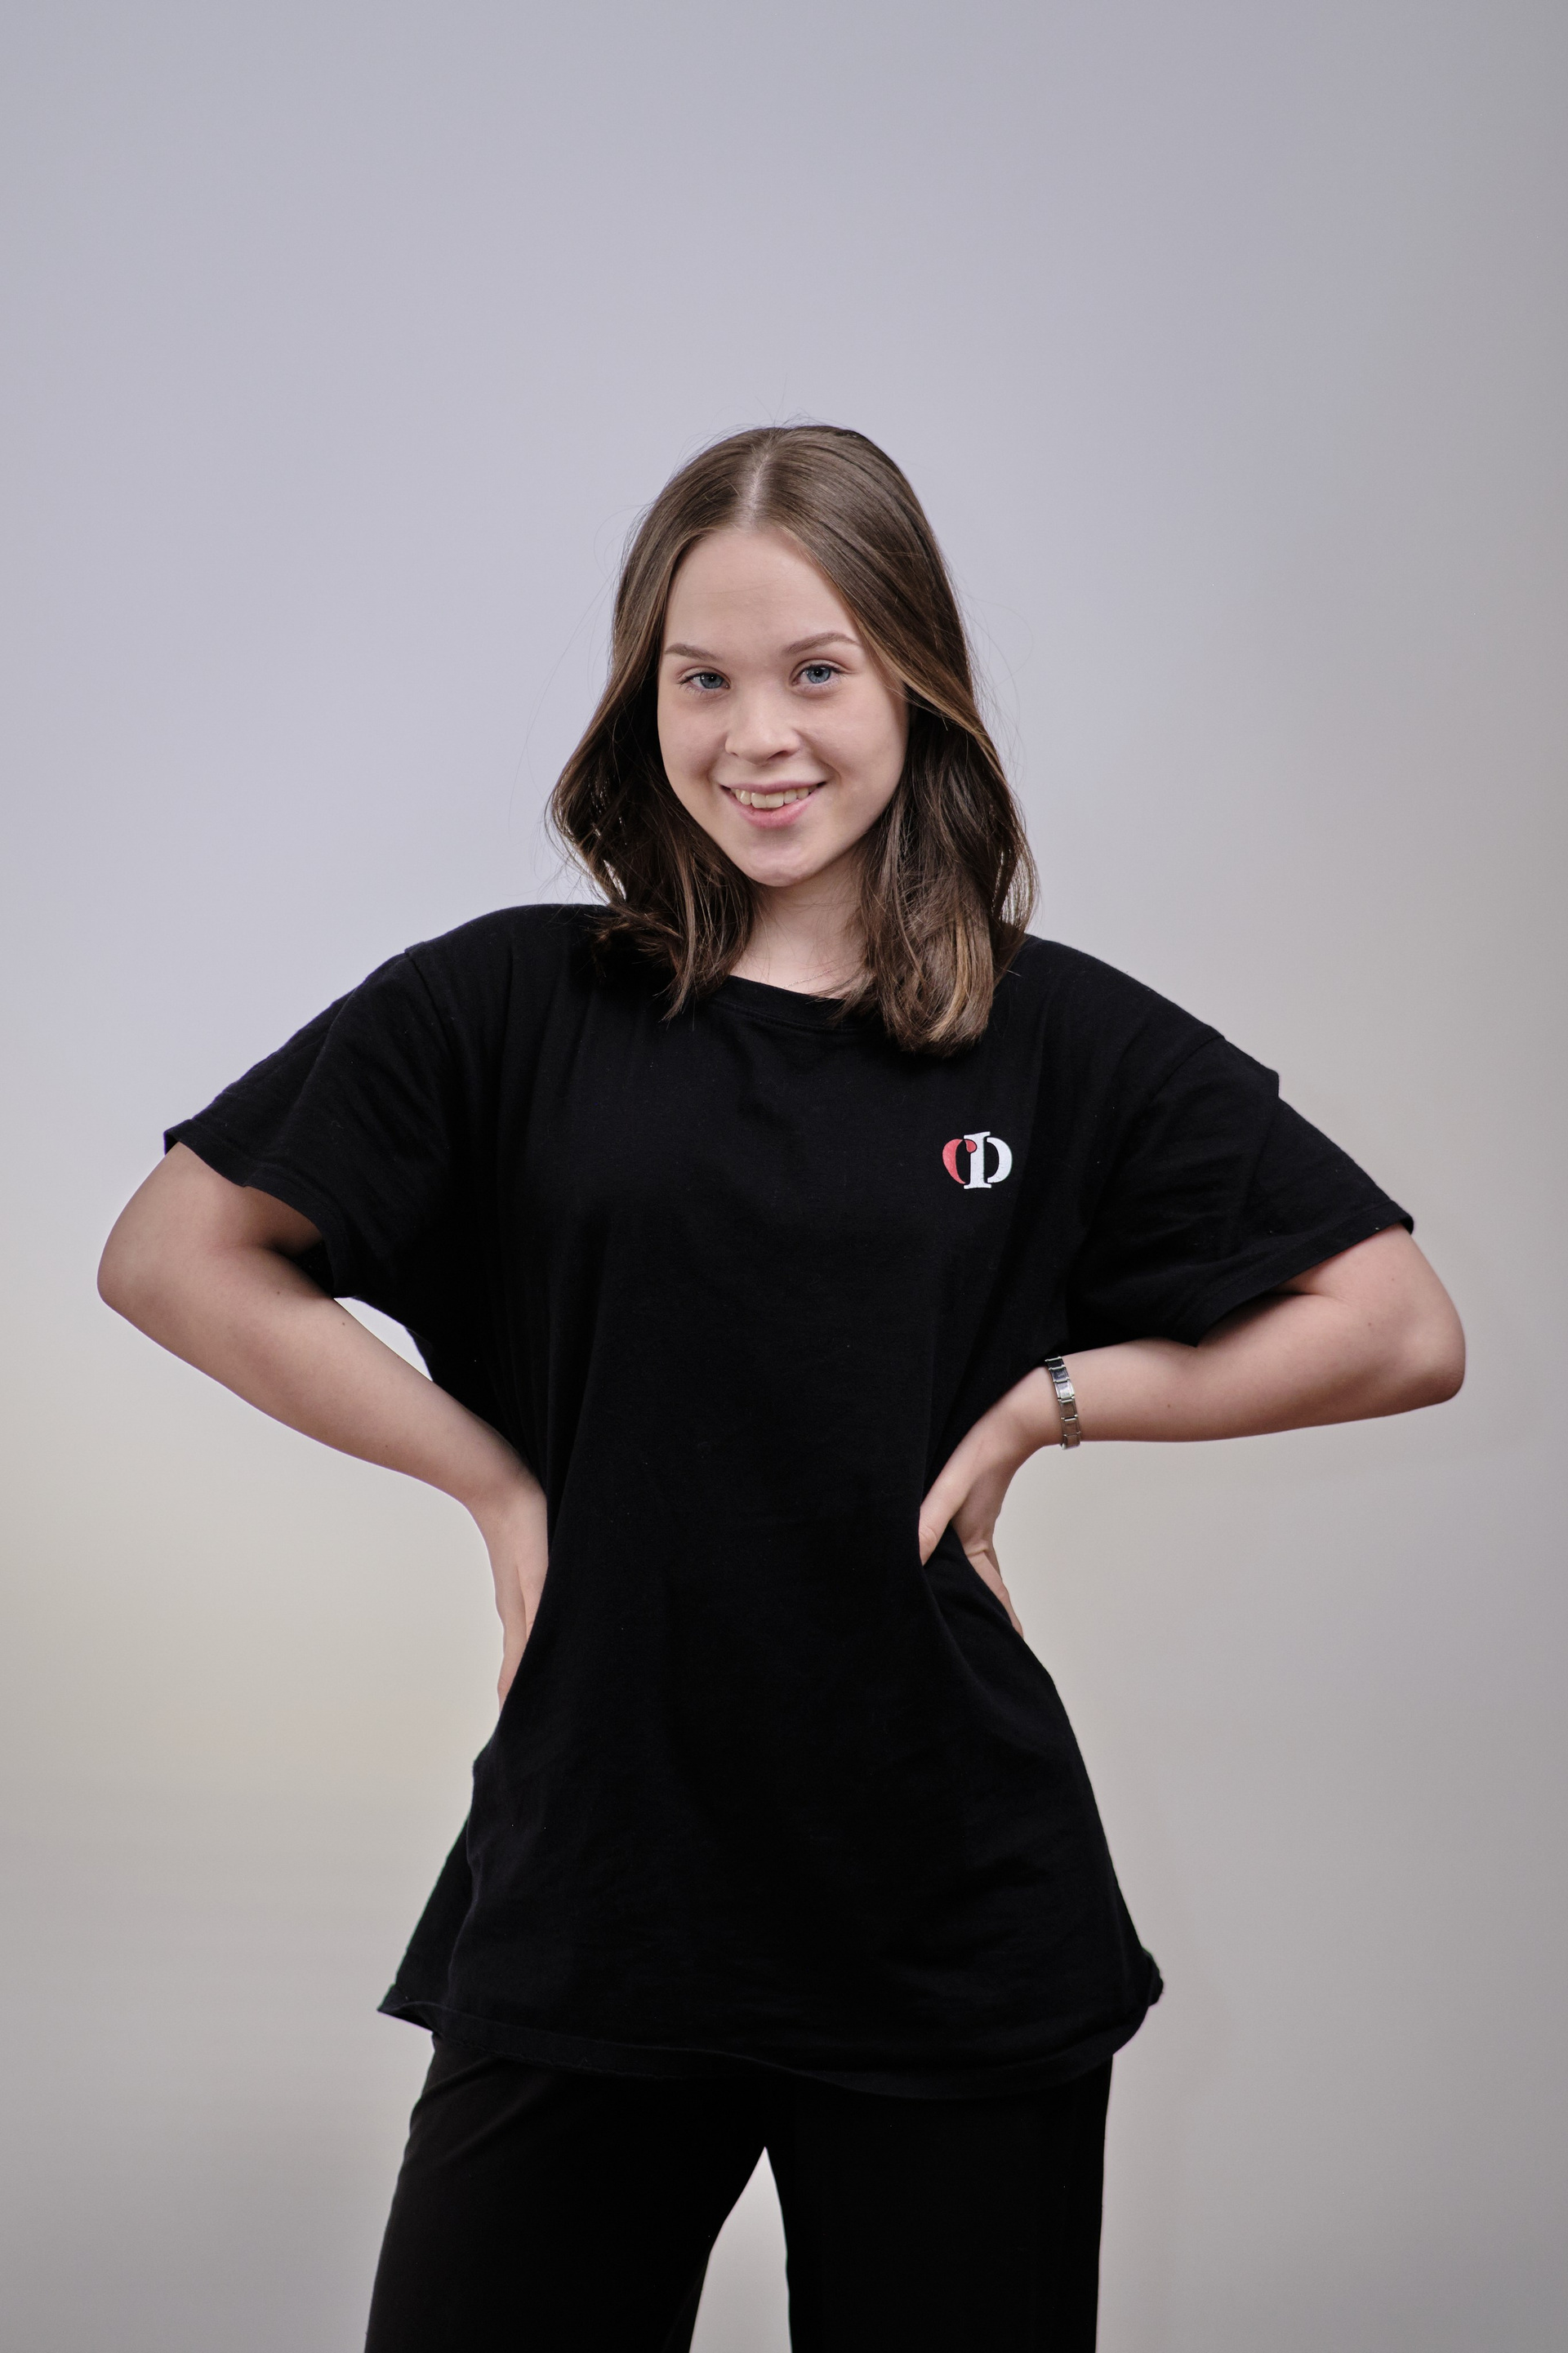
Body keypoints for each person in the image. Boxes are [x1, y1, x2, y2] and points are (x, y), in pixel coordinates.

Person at [98, 425, 1464, 2353]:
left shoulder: (1047, 1036)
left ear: (913, 684)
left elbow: (1400, 1322)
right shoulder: (508, 1005)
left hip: (950, 1908)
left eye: (818, 671)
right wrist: (496, 1483)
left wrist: (1051, 1400)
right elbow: (172, 1251)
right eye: (703, 679)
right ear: (642, 700)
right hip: (602, 1887)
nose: (760, 736)